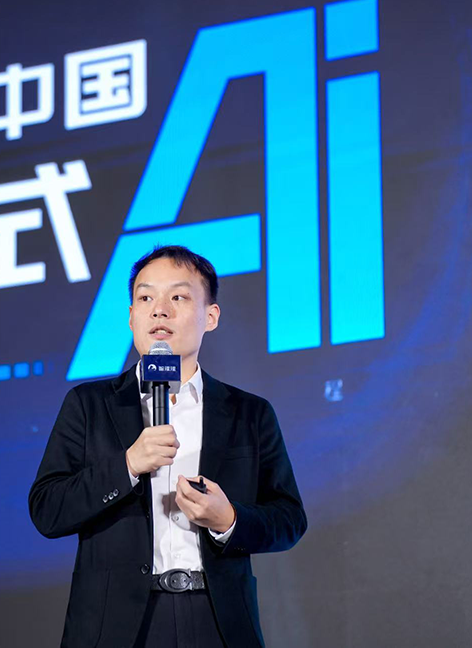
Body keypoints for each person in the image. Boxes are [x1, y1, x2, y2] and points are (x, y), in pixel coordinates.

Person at [29, 245, 307, 647]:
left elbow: (289, 519)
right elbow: (47, 510)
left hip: (218, 621)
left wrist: (228, 519)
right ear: (131, 317)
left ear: (210, 316)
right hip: (116, 626)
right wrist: (127, 466)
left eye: (178, 297)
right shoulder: (89, 405)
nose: (159, 310)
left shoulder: (249, 412)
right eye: (146, 298)